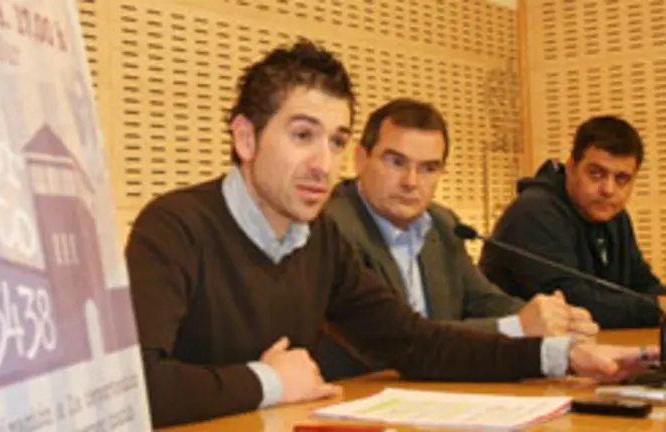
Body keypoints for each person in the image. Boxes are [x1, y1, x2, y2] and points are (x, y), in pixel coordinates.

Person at [124, 41, 656, 428]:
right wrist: (271, 382)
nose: (322, 164)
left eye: (335, 141)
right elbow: (135, 388)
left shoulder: (319, 238)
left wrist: (559, 355)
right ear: (246, 136)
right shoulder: (173, 227)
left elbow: (415, 343)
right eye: (302, 134)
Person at [317, 99, 599, 380]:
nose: (411, 181)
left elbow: (483, 299)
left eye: (429, 168)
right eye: (396, 162)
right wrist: (515, 327)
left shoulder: (442, 223)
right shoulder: (333, 229)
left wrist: (552, 317)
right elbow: (403, 340)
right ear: (360, 159)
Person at [479, 115, 666, 329]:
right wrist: (656, 308)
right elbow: (571, 301)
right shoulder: (534, 211)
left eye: (621, 179)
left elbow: (641, 282)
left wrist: (659, 301)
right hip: (514, 355)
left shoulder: (616, 217)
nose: (608, 189)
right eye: (596, 174)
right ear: (571, 167)